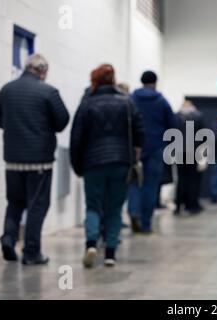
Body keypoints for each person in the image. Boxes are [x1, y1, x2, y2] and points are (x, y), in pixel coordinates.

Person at [0, 54, 70, 265]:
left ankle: (8, 238)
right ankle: (31, 252)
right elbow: (62, 121)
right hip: (40, 161)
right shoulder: (48, 92)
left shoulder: (6, 90)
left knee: (15, 203)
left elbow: (0, 120)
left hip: (13, 160)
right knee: (37, 206)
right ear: (43, 71)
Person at [70, 64, 144, 268]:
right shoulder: (126, 102)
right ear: (113, 79)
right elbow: (139, 131)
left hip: (93, 163)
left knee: (93, 206)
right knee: (114, 208)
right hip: (121, 162)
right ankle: (110, 253)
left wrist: (77, 165)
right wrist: (135, 154)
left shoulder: (87, 103)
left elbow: (76, 137)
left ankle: (91, 244)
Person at [128, 71, 177, 233]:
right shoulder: (161, 101)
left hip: (135, 147)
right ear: (155, 83)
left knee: (134, 181)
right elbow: (173, 126)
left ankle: (134, 211)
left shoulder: (131, 99)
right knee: (151, 185)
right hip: (156, 148)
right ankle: (146, 223)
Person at [175, 100, 205, 215]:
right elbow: (204, 135)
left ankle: (178, 205)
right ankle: (191, 205)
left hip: (179, 151)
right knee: (192, 179)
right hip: (193, 151)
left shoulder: (176, 116)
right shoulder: (198, 116)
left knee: (180, 179)